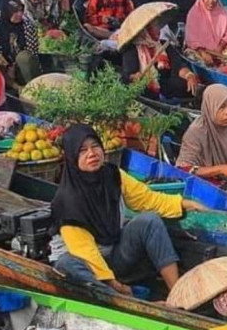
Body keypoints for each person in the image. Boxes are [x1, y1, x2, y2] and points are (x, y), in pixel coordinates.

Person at [52, 124, 206, 295]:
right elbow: (85, 252)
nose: (92, 154)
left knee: (149, 221)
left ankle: (177, 292)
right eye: (82, 150)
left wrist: (184, 203)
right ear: (72, 157)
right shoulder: (67, 201)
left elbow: (147, 199)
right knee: (66, 264)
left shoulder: (113, 175)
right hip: (89, 266)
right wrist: (116, 285)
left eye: (95, 146)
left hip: (115, 253)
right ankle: (124, 298)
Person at [121, 14, 198, 99]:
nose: (159, 31)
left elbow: (178, 65)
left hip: (166, 86)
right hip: (147, 87)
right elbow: (129, 74)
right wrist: (135, 77)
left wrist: (189, 75)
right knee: (142, 89)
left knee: (186, 85)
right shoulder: (132, 49)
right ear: (146, 30)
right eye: (154, 27)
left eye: (158, 27)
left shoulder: (164, 44)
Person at [184, 0, 227, 66]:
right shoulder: (193, 14)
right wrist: (202, 52)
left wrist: (220, 47)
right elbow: (191, 39)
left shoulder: (223, 12)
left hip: (221, 50)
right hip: (200, 51)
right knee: (192, 56)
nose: (211, 1)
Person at [0, 0, 41, 86]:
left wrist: (14, 66)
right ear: (7, 12)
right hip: (4, 70)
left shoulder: (27, 26)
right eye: (15, 12)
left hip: (23, 69)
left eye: (21, 10)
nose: (20, 14)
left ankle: (30, 87)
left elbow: (33, 52)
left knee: (24, 57)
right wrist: (7, 66)